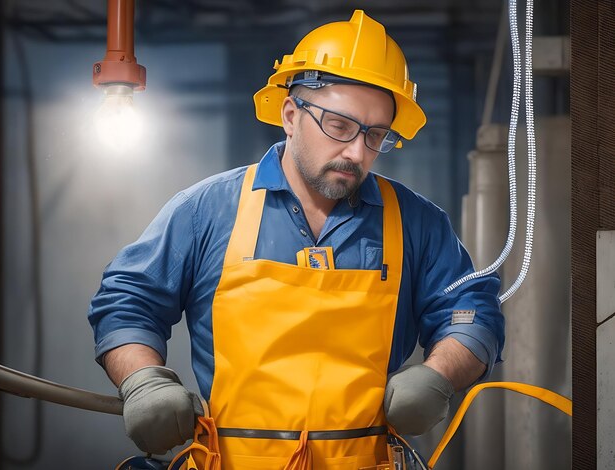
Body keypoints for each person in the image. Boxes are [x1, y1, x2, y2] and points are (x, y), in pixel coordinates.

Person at [89, 10, 504, 467]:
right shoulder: (206, 210)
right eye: (340, 127)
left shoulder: (417, 224)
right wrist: (144, 380)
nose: (356, 152)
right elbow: (128, 300)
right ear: (290, 115)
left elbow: (473, 312)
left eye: (376, 135)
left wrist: (439, 373)